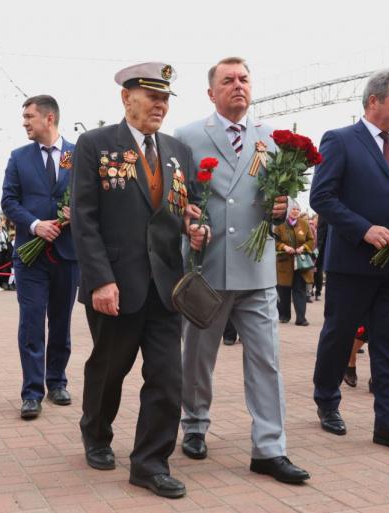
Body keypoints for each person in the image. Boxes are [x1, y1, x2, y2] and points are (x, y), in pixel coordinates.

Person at [71, 62, 208, 499]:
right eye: (153, 97)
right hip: (115, 284)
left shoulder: (177, 151)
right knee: (109, 369)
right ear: (126, 97)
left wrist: (194, 226)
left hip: (165, 286)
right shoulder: (95, 145)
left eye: (165, 99)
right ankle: (95, 432)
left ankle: (150, 463)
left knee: (168, 378)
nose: (160, 106)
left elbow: (188, 206)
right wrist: (100, 280)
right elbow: (84, 217)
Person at [176, 56, 310, 484]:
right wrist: (187, 225)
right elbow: (176, 200)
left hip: (257, 270)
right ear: (211, 92)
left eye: (244, 79)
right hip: (208, 268)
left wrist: (285, 207)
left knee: (266, 361)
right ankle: (194, 424)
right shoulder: (187, 137)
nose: (238, 85)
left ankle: (270, 448)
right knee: (198, 358)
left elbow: (289, 199)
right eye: (228, 80)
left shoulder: (271, 138)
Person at [309, 69, 389, 454]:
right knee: (339, 334)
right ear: (373, 101)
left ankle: (388, 423)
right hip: (353, 264)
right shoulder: (340, 140)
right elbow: (321, 197)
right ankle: (327, 399)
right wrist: (364, 229)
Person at [1, 94, 79, 420]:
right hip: (30, 256)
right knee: (32, 322)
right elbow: (8, 201)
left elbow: (93, 197)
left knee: (61, 322)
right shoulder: (19, 157)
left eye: (29, 117)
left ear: (49, 118)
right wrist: (35, 225)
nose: (25, 123)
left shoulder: (76, 156)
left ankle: (57, 382)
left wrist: (77, 214)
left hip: (68, 254)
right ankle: (32, 392)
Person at [273, 200, 315, 326]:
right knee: (284, 290)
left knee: (299, 290)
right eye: (293, 209)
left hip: (301, 264)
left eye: (298, 209)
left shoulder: (304, 224)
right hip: (284, 263)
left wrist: (303, 247)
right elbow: (274, 242)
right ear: (288, 210)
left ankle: (301, 318)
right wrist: (284, 247)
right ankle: (284, 315)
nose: (296, 211)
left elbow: (311, 241)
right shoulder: (279, 225)